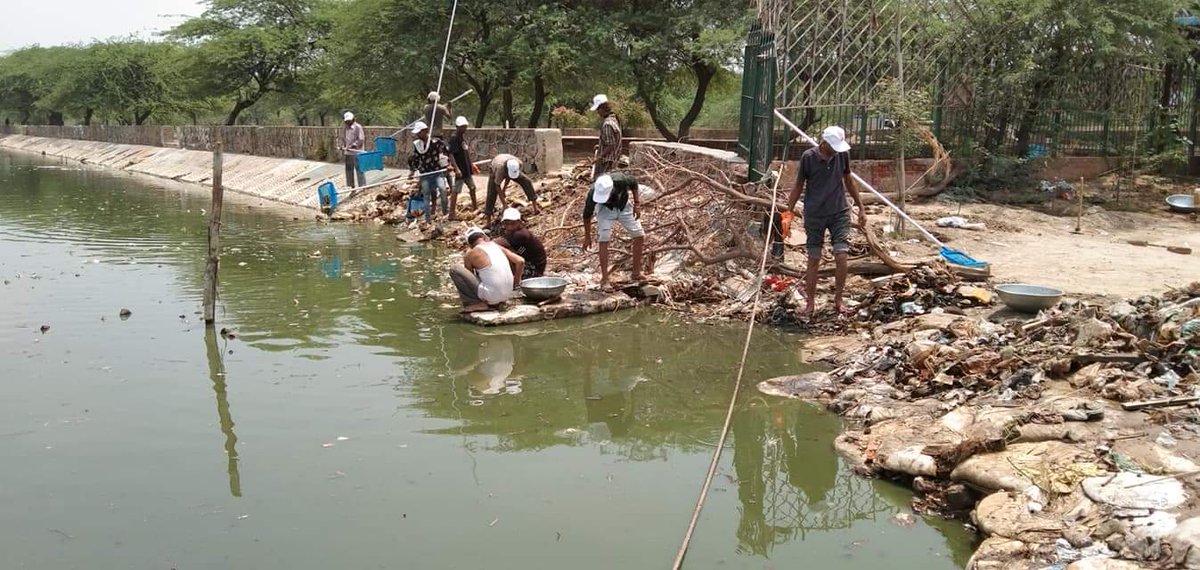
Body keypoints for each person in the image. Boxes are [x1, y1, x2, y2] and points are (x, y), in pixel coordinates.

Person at [785, 125, 867, 315]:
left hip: (839, 211)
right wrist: (788, 212)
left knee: (841, 254)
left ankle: (838, 301)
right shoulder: (808, 157)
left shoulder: (842, 155)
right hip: (814, 213)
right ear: (824, 143)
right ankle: (810, 303)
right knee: (814, 257)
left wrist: (861, 207)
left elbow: (848, 180)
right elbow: (798, 185)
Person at [583, 172, 645, 289]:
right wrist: (587, 237)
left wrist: (637, 204)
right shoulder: (592, 194)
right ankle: (605, 279)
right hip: (605, 210)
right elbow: (586, 216)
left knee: (639, 235)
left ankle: (636, 273)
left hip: (623, 206)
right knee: (604, 238)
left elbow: (634, 183)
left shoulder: (621, 180)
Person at [449, 227, 525, 313]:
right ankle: (496, 300)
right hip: (507, 294)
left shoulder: (470, 253)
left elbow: (469, 279)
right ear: (484, 237)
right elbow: (520, 261)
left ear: (469, 244)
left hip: (491, 296)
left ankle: (475, 303)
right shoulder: (497, 246)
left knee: (454, 269)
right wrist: (516, 283)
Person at [407, 121, 458, 222]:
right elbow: (415, 159)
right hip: (425, 174)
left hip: (437, 172)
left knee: (443, 191)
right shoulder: (418, 145)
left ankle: (445, 214)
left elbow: (448, 153)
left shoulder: (436, 142)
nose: (417, 135)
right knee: (426, 195)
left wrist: (450, 165)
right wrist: (412, 171)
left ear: (425, 131)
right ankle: (427, 219)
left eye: (419, 132)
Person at [485, 154, 539, 224]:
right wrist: (504, 204)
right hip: (495, 168)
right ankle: (488, 222)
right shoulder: (500, 169)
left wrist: (504, 189)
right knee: (491, 193)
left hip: (509, 166)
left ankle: (535, 208)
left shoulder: (519, 163)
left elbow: (509, 177)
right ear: (506, 169)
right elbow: (497, 186)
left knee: (527, 181)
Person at [494, 208, 547, 279]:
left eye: (512, 223)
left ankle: (514, 280)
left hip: (534, 271)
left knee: (500, 250)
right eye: (506, 224)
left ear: (519, 222)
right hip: (533, 266)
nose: (509, 227)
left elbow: (493, 244)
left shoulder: (520, 234)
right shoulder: (515, 233)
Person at [447, 116, 479, 219]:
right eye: (462, 127)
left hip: (466, 169)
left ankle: (475, 208)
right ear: (457, 127)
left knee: (472, 187)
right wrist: (456, 168)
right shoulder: (454, 138)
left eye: (465, 127)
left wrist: (471, 164)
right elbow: (451, 154)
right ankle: (451, 213)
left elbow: (466, 153)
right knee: (456, 190)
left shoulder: (462, 138)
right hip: (460, 169)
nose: (464, 129)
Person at [590, 94, 622, 180]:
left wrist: (599, 157)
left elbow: (611, 145)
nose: (598, 113)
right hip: (614, 159)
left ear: (602, 109)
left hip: (607, 161)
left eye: (598, 110)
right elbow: (610, 141)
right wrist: (600, 146)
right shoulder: (614, 119)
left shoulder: (607, 124)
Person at [341, 111, 366, 188]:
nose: (348, 122)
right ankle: (351, 186)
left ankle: (362, 186)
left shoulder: (358, 127)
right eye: (346, 121)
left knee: (359, 170)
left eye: (349, 121)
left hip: (357, 153)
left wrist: (353, 146)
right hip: (348, 153)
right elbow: (344, 139)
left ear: (353, 119)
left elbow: (361, 139)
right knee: (349, 170)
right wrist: (343, 146)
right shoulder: (345, 128)